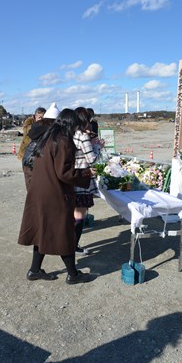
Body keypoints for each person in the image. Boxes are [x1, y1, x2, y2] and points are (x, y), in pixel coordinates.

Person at [18, 108, 94, 285]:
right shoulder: (63, 140)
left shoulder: (48, 136)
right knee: (63, 233)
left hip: (39, 191)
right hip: (54, 193)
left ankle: (34, 270)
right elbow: (64, 172)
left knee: (41, 231)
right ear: (70, 124)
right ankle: (73, 275)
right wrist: (86, 173)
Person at [73, 107, 104, 255]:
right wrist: (97, 146)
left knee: (72, 213)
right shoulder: (82, 136)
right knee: (79, 215)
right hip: (83, 179)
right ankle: (73, 246)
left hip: (71, 177)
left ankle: (71, 244)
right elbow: (92, 160)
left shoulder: (70, 134)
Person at [22, 102, 61, 189]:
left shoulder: (36, 127)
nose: (41, 118)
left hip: (28, 160)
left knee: (32, 189)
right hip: (35, 160)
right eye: (39, 116)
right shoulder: (49, 129)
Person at [17, 106, 46, 189]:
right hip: (26, 153)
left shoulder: (43, 124)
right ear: (35, 116)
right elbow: (28, 130)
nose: (41, 119)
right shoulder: (29, 123)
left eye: (43, 117)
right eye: (40, 117)